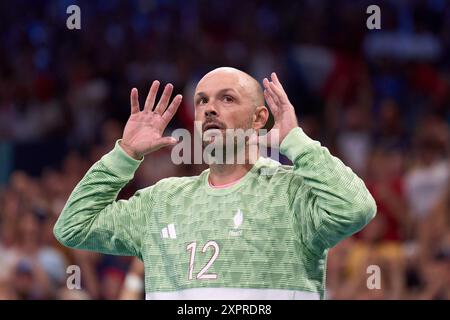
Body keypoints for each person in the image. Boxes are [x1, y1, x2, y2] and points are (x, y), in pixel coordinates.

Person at [53, 67, 376, 300]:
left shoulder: (291, 191)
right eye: (202, 101)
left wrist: (296, 142)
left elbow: (356, 208)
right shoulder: (162, 199)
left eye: (227, 99)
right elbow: (73, 227)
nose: (209, 108)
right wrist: (125, 154)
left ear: (260, 118)